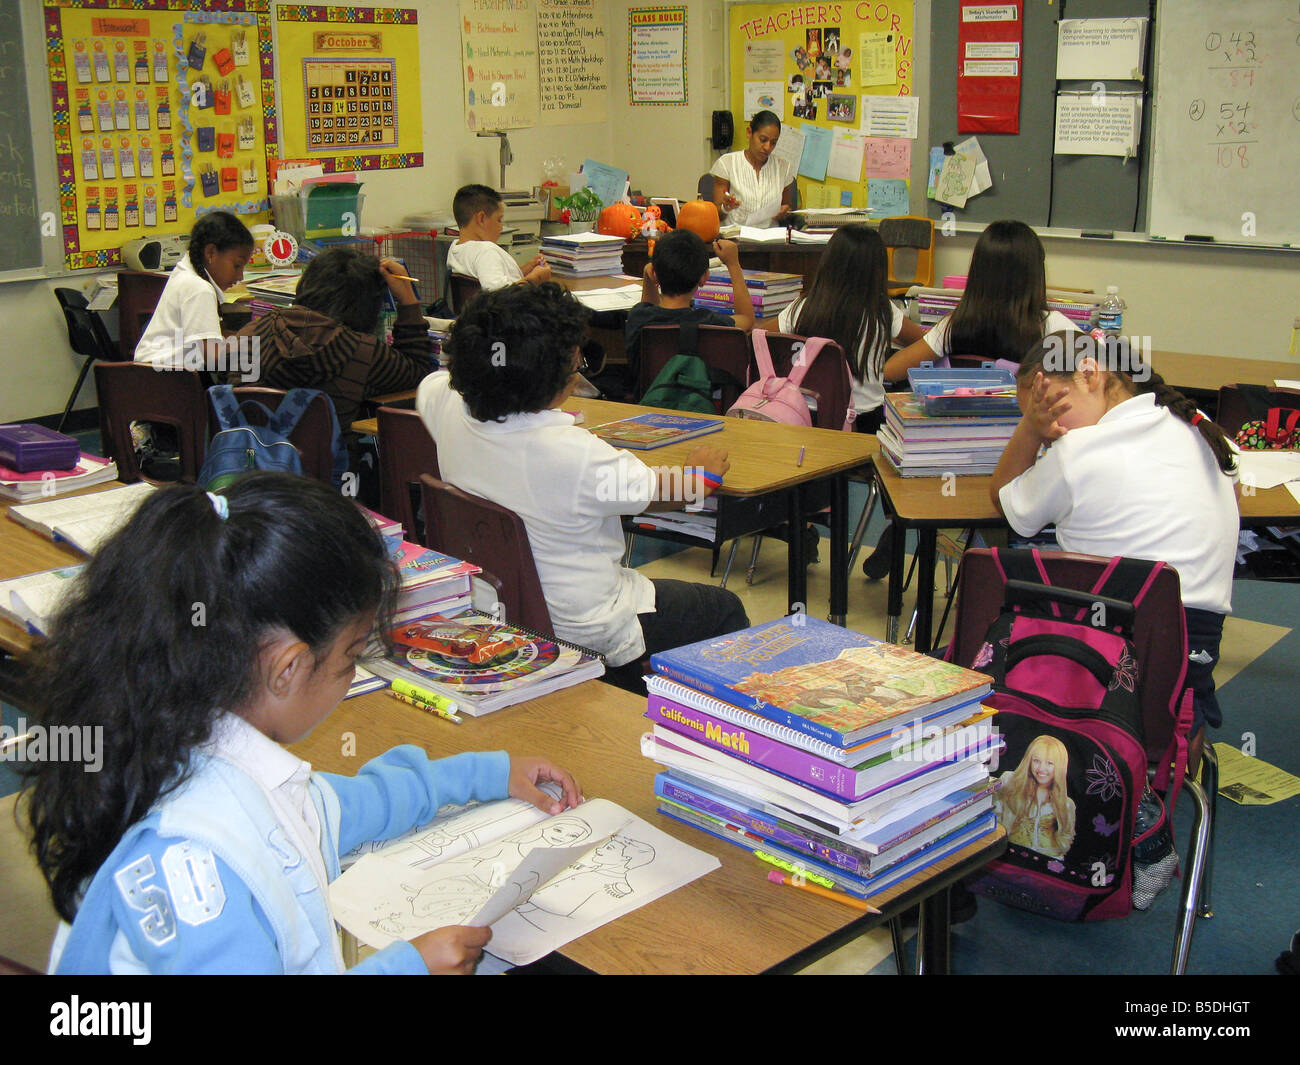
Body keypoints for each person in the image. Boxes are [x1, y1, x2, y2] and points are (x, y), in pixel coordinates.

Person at [24, 473, 582, 974]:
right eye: (350, 658)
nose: (349, 677)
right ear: (287, 668)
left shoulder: (186, 732)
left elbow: (341, 809)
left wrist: (486, 773)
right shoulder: (196, 861)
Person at [416, 282, 750, 684]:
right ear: (554, 380)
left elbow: (437, 382)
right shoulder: (573, 453)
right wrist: (703, 473)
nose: (578, 373)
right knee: (724, 607)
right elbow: (669, 493)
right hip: (583, 627)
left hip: (494, 610)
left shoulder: (446, 404)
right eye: (576, 365)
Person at [991, 331, 1239, 773]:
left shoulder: (1078, 452)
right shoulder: (1203, 429)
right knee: (1172, 697)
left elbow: (1009, 506)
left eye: (1052, 406)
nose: (1055, 426)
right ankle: (1170, 768)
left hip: (1105, 651)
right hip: (1194, 650)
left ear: (1091, 375)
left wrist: (1029, 430)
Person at [237, 246, 435, 429]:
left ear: (306, 283)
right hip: (331, 463)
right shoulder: (362, 351)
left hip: (246, 458)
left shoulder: (252, 333)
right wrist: (408, 300)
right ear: (367, 305)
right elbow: (418, 374)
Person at [769, 225, 925, 434]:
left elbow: (762, 335)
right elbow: (922, 342)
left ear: (828, 262)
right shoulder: (881, 310)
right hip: (866, 423)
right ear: (877, 270)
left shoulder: (804, 306)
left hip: (806, 418)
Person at [882, 219, 1078, 382]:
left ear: (977, 272)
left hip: (958, 425)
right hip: (1023, 426)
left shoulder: (954, 325)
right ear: (1034, 273)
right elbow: (1102, 372)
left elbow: (890, 371)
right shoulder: (1052, 326)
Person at [625, 229, 755, 392]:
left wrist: (648, 276)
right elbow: (747, 318)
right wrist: (734, 264)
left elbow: (649, 308)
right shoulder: (709, 322)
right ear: (704, 278)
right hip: (698, 410)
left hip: (646, 409)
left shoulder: (638, 317)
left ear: (653, 273)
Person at [133, 210, 254, 368]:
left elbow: (212, 341)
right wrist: (254, 345)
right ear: (210, 253)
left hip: (154, 374)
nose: (240, 276)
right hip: (162, 381)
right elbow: (213, 356)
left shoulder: (186, 274)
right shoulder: (199, 288)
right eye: (237, 266)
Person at [447, 184, 550, 290]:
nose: (501, 227)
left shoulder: (456, 250)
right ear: (481, 219)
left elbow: (495, 278)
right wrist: (535, 278)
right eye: (499, 220)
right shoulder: (485, 252)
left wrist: (525, 269)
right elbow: (500, 295)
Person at [711, 111, 797, 230]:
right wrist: (726, 207)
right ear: (749, 132)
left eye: (773, 143)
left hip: (770, 239)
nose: (767, 147)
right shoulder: (727, 164)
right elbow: (715, 215)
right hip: (736, 238)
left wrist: (784, 212)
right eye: (763, 140)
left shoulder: (783, 168)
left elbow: (786, 207)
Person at [995, 735, 1077, 859]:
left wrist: (1059, 851)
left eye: (1050, 763)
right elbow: (995, 813)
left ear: (1059, 767)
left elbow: (1067, 833)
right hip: (1010, 853)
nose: (1041, 769)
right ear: (1029, 760)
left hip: (1050, 858)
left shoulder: (1066, 803)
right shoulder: (1009, 781)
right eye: (1036, 761)